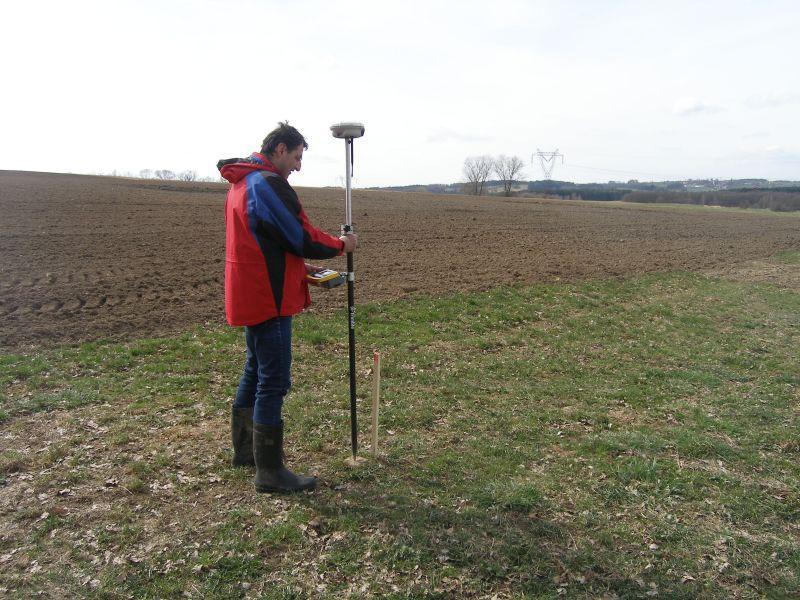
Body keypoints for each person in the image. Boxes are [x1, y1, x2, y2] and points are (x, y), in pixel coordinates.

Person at [217, 122, 357, 493]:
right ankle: (270, 471)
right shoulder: (266, 184)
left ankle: (246, 452)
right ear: (280, 149)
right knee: (274, 380)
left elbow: (266, 240)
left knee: (255, 369)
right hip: (268, 296)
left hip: (251, 289)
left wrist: (301, 267)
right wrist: (341, 246)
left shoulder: (242, 182)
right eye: (296, 157)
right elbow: (299, 235)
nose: (297, 166)